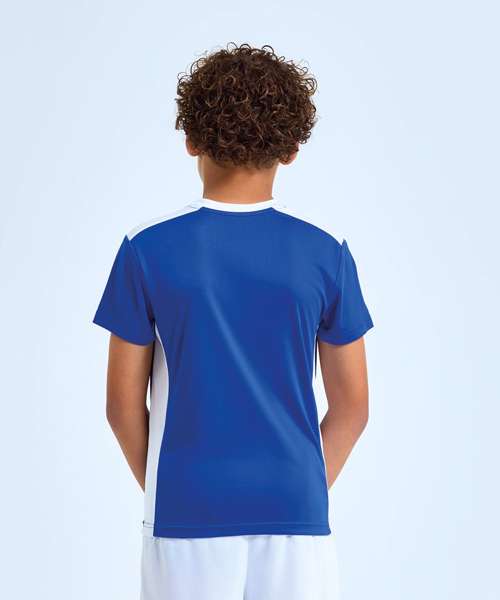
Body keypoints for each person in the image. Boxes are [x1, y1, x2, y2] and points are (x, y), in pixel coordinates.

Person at [93, 42, 374, 600]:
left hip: (187, 506)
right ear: (292, 149)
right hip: (295, 506)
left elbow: (121, 406)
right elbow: (353, 407)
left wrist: (173, 490)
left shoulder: (147, 249)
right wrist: (300, 487)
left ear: (191, 139)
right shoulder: (326, 251)